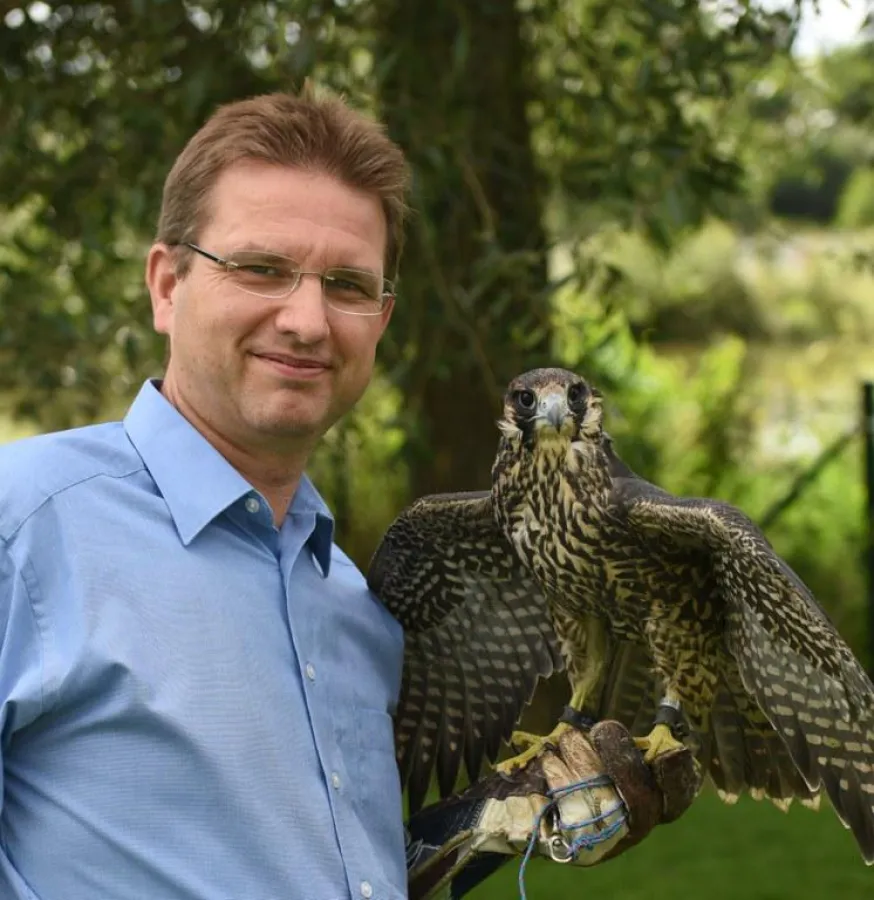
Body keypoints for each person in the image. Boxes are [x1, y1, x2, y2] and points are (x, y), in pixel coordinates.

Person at [0, 86, 696, 900]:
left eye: (347, 285)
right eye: (262, 269)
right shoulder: (28, 529)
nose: (306, 319)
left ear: (381, 320)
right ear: (165, 285)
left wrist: (491, 826)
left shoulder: (356, 610)